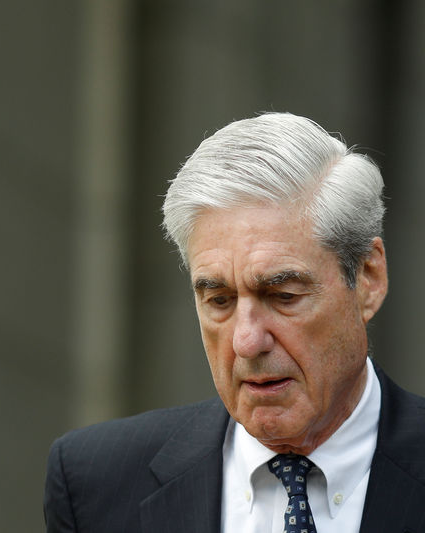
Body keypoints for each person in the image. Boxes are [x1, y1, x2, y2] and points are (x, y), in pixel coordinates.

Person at [43, 113, 425, 533]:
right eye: (219, 300)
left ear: (369, 278)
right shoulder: (95, 483)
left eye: (283, 297)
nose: (246, 341)